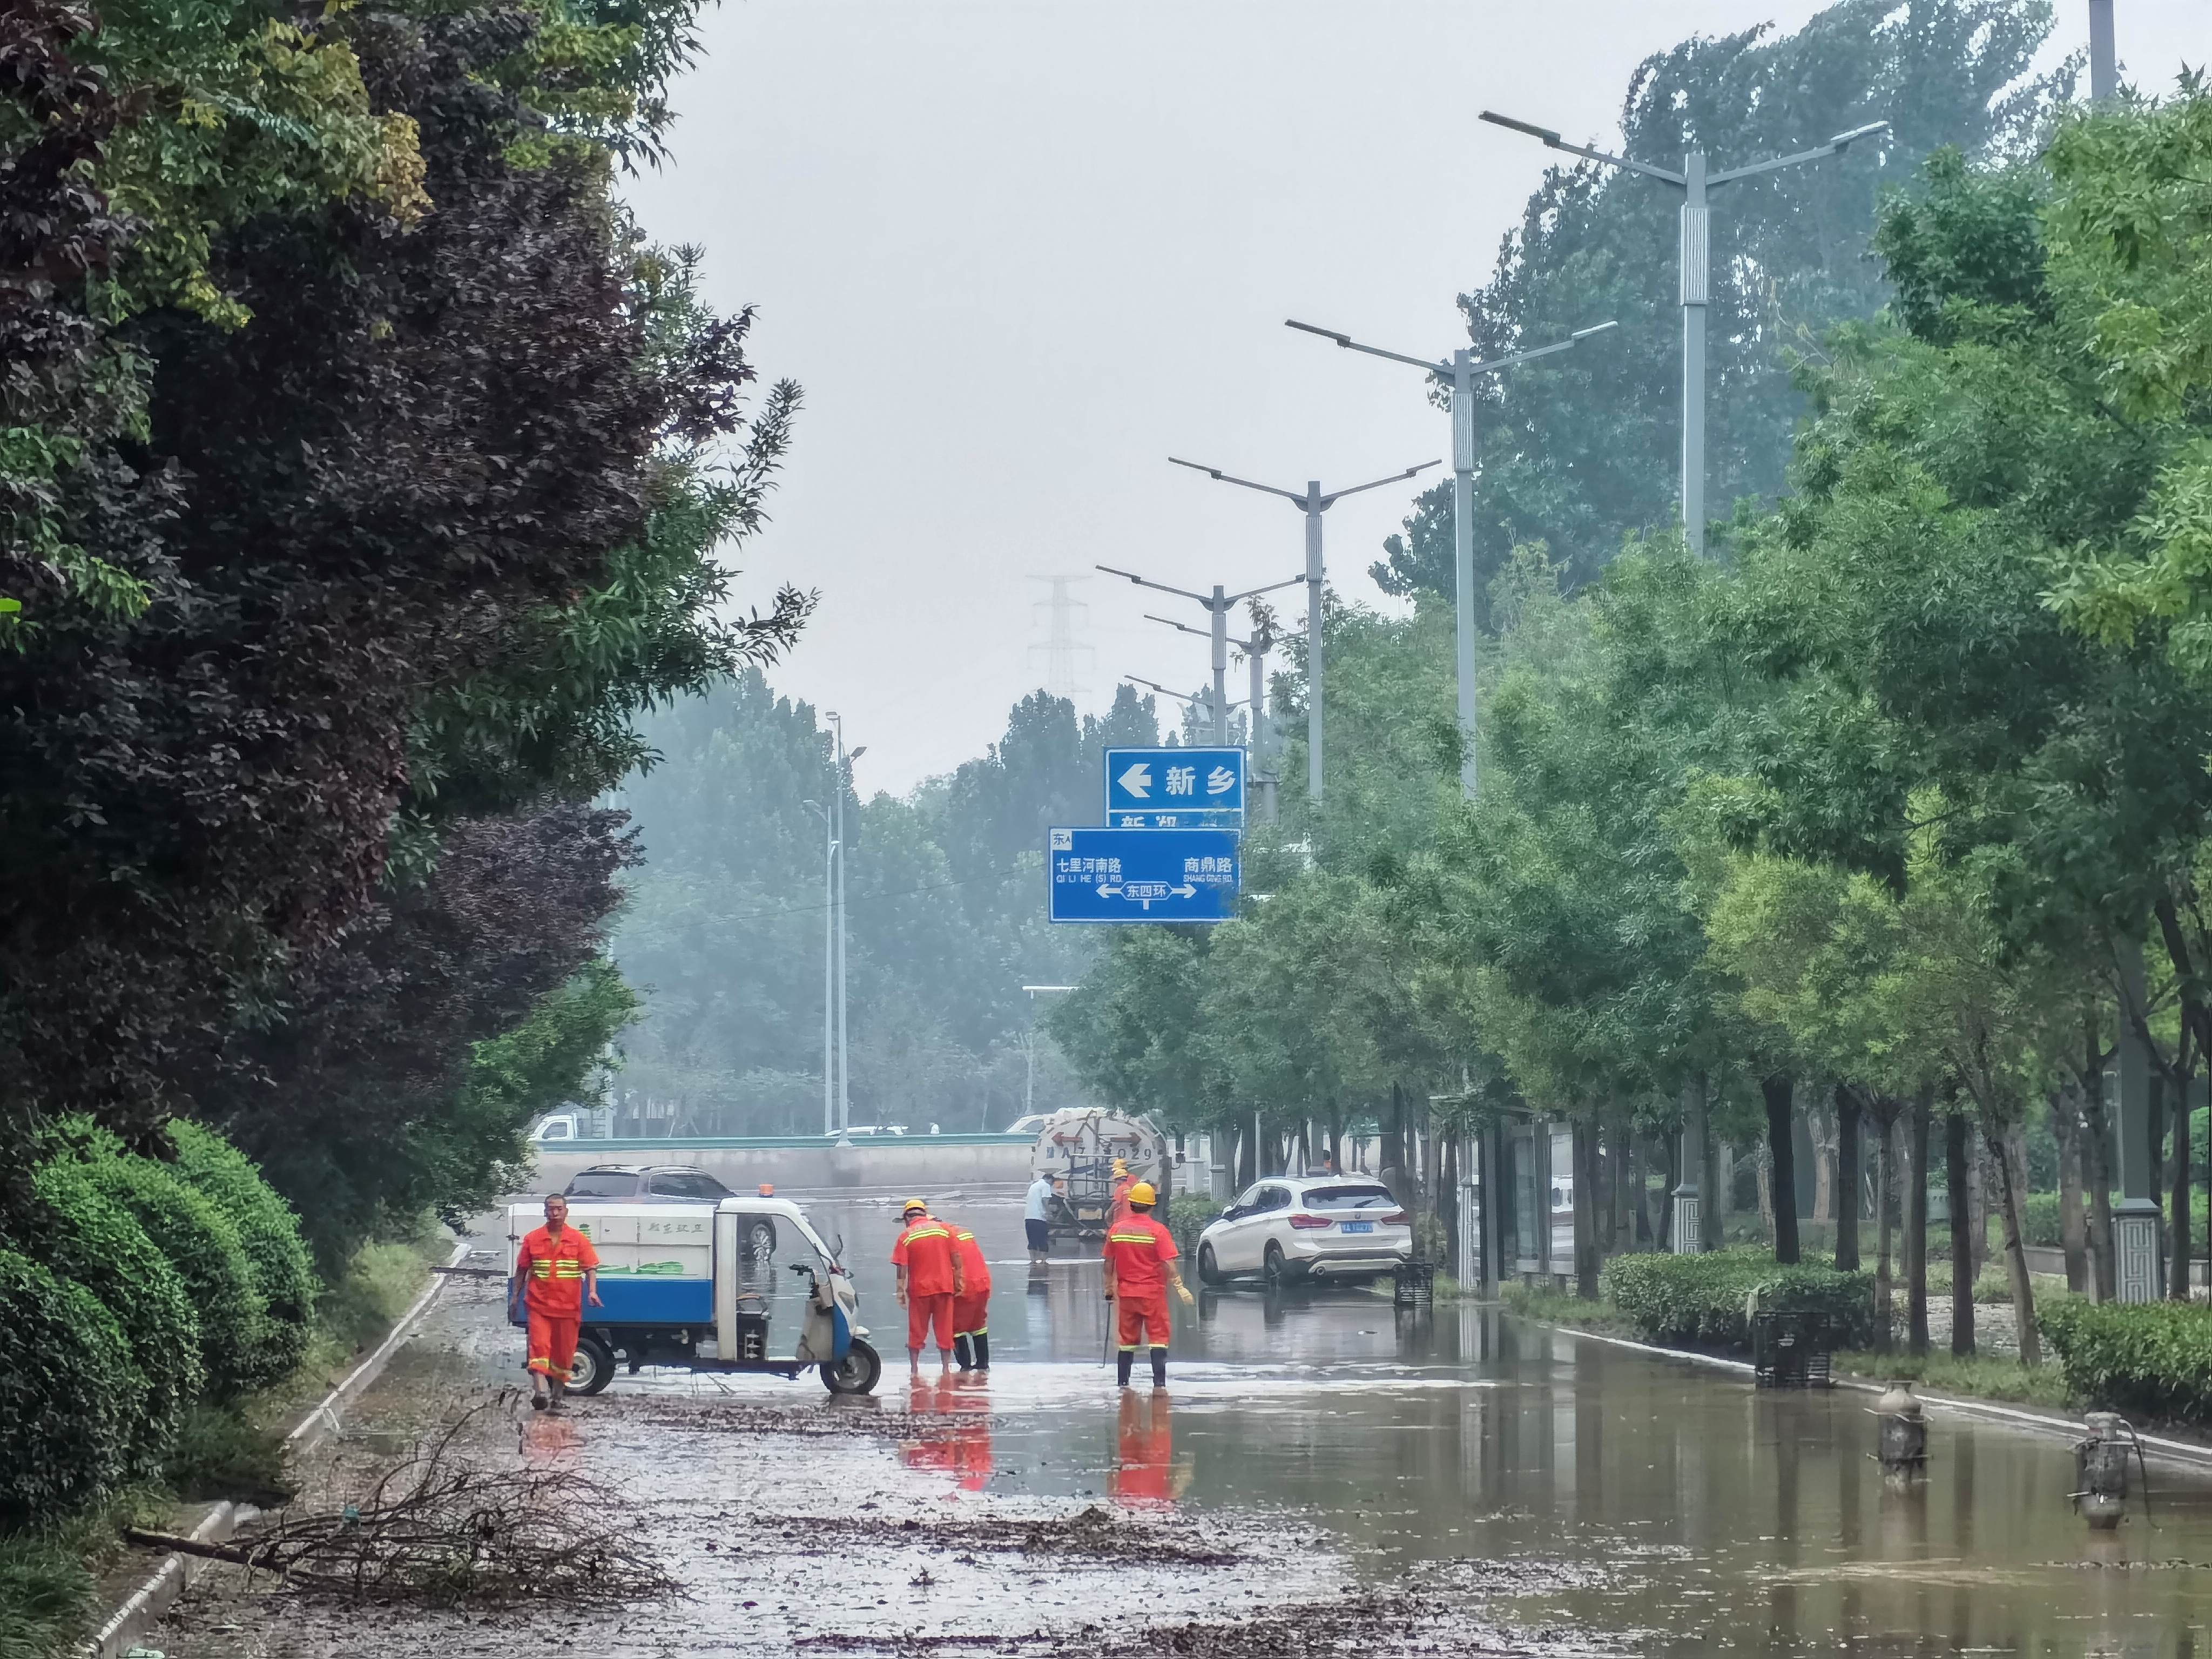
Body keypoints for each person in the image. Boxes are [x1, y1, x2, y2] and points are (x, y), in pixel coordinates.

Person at [509, 1193, 602, 1413]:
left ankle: (557, 1398)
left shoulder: (578, 1239)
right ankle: (541, 1392)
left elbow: (590, 1267)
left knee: (564, 1353)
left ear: (566, 1211)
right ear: (545, 1212)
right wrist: (515, 1297)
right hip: (539, 1306)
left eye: (559, 1209)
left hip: (568, 1308)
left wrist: (592, 1292)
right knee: (539, 1348)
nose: (555, 1213)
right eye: (551, 1209)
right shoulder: (533, 1239)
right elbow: (522, 1270)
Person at [1101, 1181, 1192, 1390]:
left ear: (1131, 1204)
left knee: (1127, 1341)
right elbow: (1168, 1263)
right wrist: (1179, 1286)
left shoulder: (1116, 1230)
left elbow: (1108, 1263)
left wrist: (1108, 1289)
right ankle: (1159, 1385)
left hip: (1127, 1294)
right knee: (1159, 1339)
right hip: (1153, 1295)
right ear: (1152, 1205)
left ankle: (1123, 1384)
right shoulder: (1158, 1231)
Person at [890, 1198, 965, 1371]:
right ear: (925, 1214)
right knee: (945, 1328)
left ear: (907, 1218)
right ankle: (946, 1368)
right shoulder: (945, 1230)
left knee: (916, 1330)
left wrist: (900, 1291)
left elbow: (902, 1267)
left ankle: (914, 1369)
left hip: (920, 1290)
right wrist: (959, 1281)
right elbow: (957, 1257)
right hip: (944, 1288)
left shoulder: (906, 1236)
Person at [946, 1216, 993, 1372]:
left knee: (955, 1326)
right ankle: (982, 1364)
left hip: (964, 1286)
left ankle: (965, 1366)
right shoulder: (962, 1231)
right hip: (983, 1282)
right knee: (978, 1324)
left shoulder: (943, 1238)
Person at [1023, 1169, 1057, 1265]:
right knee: (1043, 1240)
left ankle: (1033, 1261)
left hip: (1029, 1218)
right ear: (1050, 1180)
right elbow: (1045, 1201)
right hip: (1039, 1218)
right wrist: (1050, 1212)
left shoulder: (1033, 1186)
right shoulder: (1046, 1185)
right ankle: (1043, 1261)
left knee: (1032, 1241)